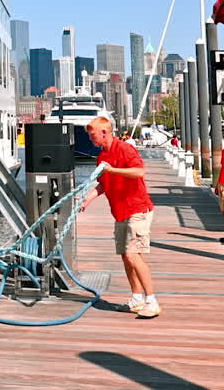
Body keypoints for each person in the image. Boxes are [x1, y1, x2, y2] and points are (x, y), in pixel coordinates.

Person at [81, 116, 160, 319]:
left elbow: (139, 171)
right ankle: (136, 298)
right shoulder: (101, 158)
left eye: (93, 136)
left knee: (134, 254)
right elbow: (103, 184)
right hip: (120, 212)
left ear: (105, 132)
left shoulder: (125, 149)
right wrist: (88, 199)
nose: (91, 140)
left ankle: (152, 301)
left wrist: (113, 169)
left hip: (137, 209)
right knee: (126, 255)